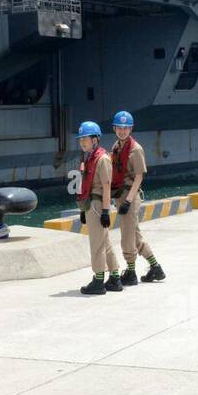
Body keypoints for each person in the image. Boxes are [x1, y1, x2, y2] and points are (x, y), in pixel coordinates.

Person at [108, 111, 164, 285]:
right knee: (135, 235)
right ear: (114, 128)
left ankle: (131, 272)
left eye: (126, 128)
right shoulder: (116, 146)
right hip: (120, 194)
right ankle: (155, 267)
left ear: (131, 128)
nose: (122, 131)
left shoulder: (136, 149)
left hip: (129, 195)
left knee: (127, 235)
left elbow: (139, 177)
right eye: (119, 127)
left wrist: (128, 200)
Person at [76, 121, 120, 295]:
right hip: (91, 204)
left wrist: (105, 211)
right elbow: (85, 184)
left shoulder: (101, 159)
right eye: (80, 139)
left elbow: (106, 186)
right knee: (105, 242)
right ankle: (115, 277)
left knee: (96, 244)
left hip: (97, 204)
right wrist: (82, 209)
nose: (82, 142)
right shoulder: (89, 158)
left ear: (95, 140)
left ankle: (99, 280)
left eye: (85, 139)